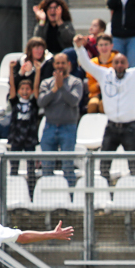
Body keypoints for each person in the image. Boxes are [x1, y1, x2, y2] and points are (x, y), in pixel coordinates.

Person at [75, 33, 135, 181]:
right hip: (111, 127)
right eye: (117, 62)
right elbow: (87, 64)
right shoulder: (104, 74)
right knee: (104, 166)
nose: (119, 65)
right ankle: (103, 195)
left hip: (129, 128)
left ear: (127, 64)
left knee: (134, 165)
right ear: (113, 64)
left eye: (122, 62)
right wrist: (79, 47)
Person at [38, 51, 84, 186]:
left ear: (68, 64)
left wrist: (62, 87)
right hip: (50, 127)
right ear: (53, 65)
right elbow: (41, 102)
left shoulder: (76, 82)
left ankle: (70, 197)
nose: (60, 66)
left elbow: (74, 101)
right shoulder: (46, 83)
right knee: (47, 165)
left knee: (67, 166)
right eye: (57, 63)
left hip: (68, 128)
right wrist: (54, 89)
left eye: (63, 63)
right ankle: (47, 195)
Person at [7, 70, 42, 194]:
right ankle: (12, 192)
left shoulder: (33, 104)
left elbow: (37, 87)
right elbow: (11, 86)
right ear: (18, 91)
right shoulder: (15, 102)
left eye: (28, 89)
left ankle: (31, 193)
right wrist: (11, 71)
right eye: (22, 89)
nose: (25, 91)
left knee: (30, 168)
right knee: (14, 167)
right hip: (17, 138)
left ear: (31, 91)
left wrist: (38, 71)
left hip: (29, 138)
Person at [86, 34, 117, 111]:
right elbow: (91, 88)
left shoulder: (118, 60)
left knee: (103, 105)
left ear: (111, 46)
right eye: (101, 45)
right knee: (92, 105)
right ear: (97, 47)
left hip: (114, 93)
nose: (103, 48)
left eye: (106, 44)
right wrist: (98, 85)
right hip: (97, 93)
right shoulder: (92, 62)